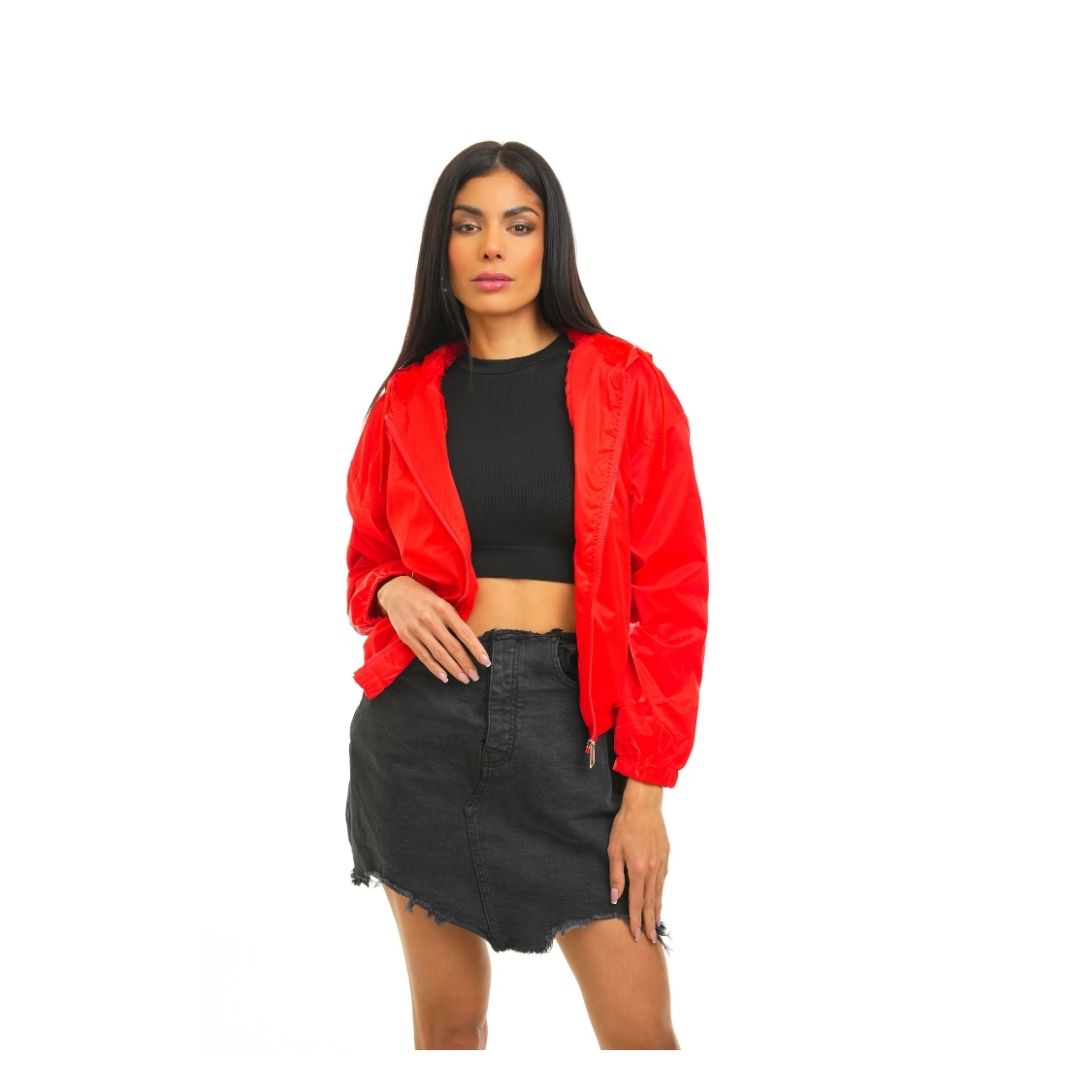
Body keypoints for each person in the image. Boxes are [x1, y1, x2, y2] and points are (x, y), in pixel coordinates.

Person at [343, 140, 708, 1050]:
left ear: (552, 242)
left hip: (574, 732)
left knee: (641, 1033)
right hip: (420, 731)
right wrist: (391, 588)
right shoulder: (403, 401)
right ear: (443, 247)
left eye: (519, 224)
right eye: (469, 226)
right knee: (448, 1025)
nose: (493, 246)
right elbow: (366, 560)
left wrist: (646, 796)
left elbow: (674, 595)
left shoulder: (627, 385)